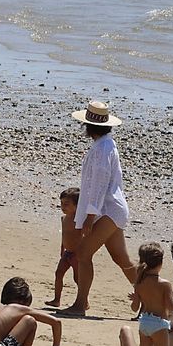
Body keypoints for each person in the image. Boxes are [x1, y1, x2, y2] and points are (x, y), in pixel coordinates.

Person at [62, 100, 137, 317]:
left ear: (88, 126)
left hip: (108, 210)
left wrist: (89, 216)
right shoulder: (104, 145)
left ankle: (80, 304)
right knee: (121, 259)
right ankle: (152, 300)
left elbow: (99, 183)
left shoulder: (103, 148)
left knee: (84, 254)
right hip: (111, 210)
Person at [43, 186, 84, 307]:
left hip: (77, 255)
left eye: (66, 204)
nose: (63, 206)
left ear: (77, 206)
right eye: (61, 203)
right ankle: (57, 299)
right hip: (67, 253)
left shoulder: (79, 221)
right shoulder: (64, 218)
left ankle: (83, 300)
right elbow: (64, 235)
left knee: (78, 279)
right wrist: (62, 248)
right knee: (58, 273)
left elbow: (83, 237)